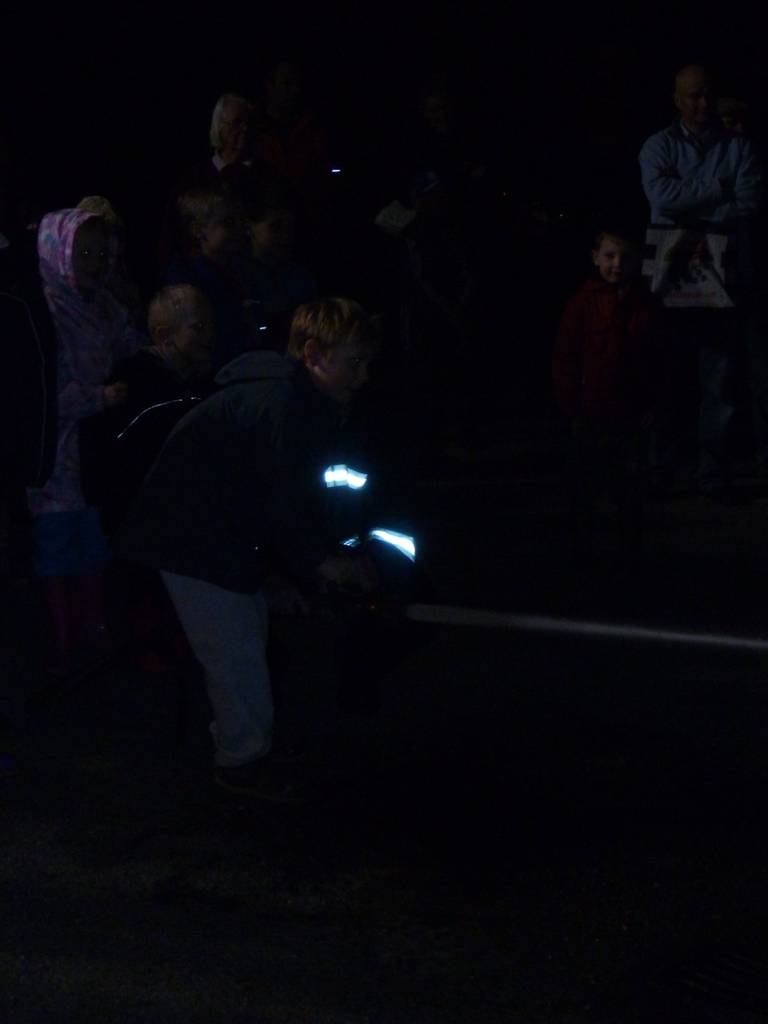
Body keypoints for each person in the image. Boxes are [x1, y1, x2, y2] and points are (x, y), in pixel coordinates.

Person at [115, 297, 379, 796]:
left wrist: (296, 568)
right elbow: (282, 504)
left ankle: (249, 747)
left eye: (366, 363)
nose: (363, 376)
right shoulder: (282, 406)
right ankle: (239, 763)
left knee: (246, 641)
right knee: (235, 654)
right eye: (354, 363)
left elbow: (280, 501)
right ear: (313, 354)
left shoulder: (298, 403)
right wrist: (324, 564)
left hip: (217, 535)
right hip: (190, 540)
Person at [26, 209, 145, 673]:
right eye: (84, 251)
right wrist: (98, 395)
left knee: (92, 534)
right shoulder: (47, 309)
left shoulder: (103, 305)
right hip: (56, 450)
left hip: (96, 444)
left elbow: (130, 343)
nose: (95, 262)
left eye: (102, 251)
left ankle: (94, 623)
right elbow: (43, 393)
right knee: (57, 538)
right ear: (59, 252)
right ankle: (60, 633)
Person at [638, 65, 762, 496]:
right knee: (668, 375)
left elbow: (747, 202)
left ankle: (710, 470)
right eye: (693, 96)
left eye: (707, 96)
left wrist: (690, 199)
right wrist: (718, 188)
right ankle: (662, 467)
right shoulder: (658, 146)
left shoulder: (738, 146)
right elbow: (660, 197)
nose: (702, 104)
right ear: (677, 99)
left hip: (721, 275)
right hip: (670, 276)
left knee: (718, 378)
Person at [553, 227, 665, 554]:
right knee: (584, 490)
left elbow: (659, 359)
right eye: (610, 255)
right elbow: (565, 359)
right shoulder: (581, 304)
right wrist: (570, 407)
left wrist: (654, 404)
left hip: (631, 417)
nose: (617, 264)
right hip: (589, 416)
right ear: (595, 258)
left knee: (629, 492)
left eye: (625, 257)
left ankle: (630, 557)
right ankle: (580, 555)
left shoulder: (647, 305)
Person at [166, 187, 259, 369]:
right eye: (228, 223)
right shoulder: (185, 276)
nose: (239, 230)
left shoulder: (242, 267)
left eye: (241, 222)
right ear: (198, 229)